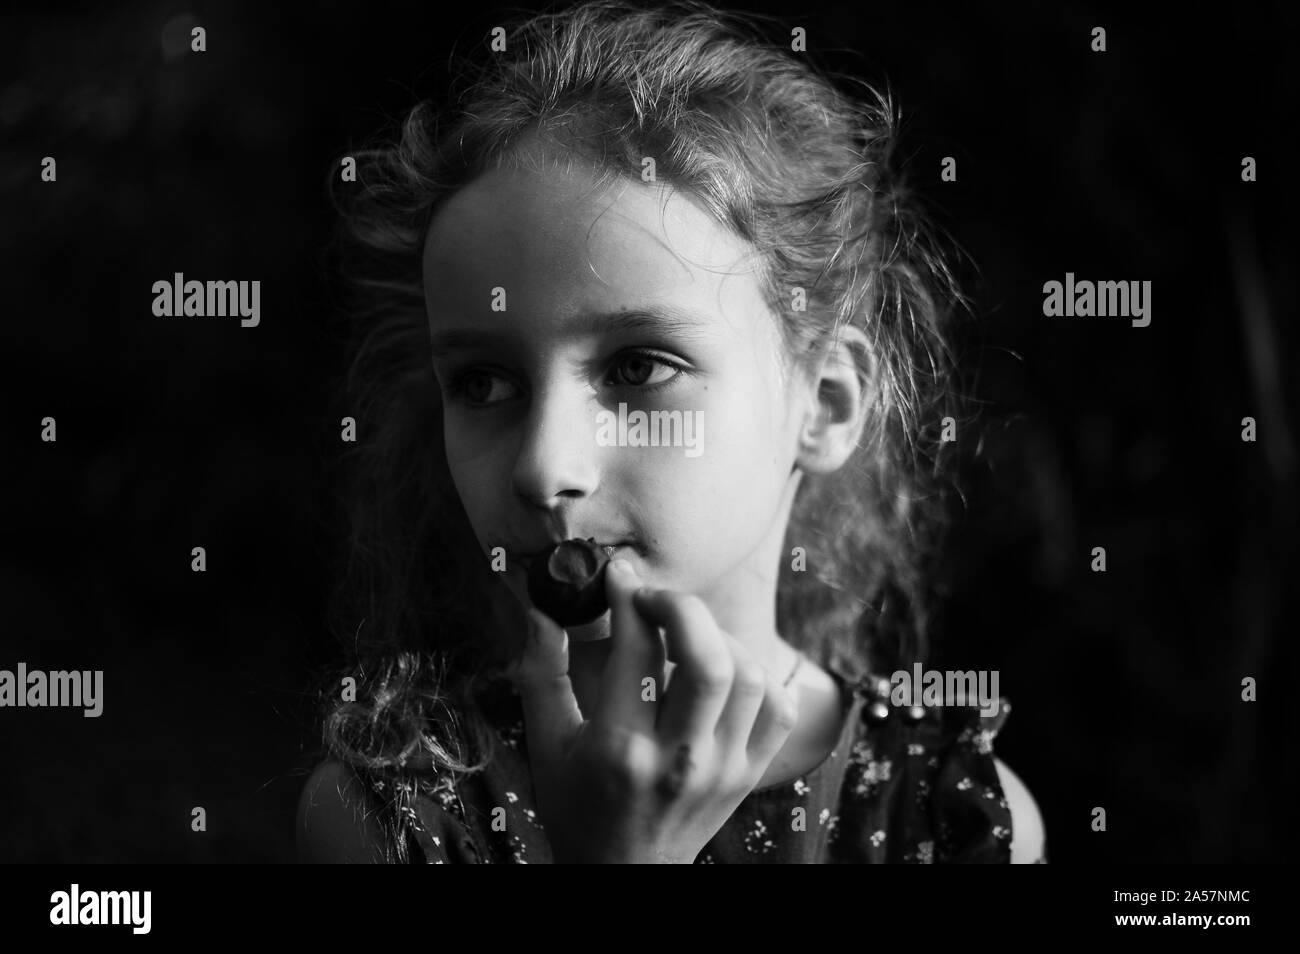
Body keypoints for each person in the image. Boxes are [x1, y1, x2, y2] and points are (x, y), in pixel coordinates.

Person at [297, 0, 1046, 863]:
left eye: (638, 367)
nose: (544, 469)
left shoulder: (962, 822)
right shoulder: (388, 817)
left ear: (826, 404)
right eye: (483, 383)